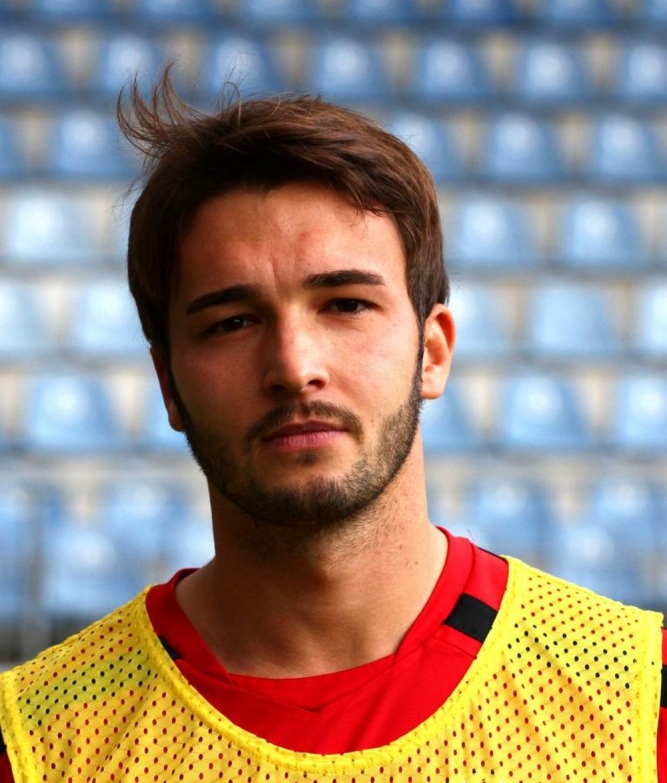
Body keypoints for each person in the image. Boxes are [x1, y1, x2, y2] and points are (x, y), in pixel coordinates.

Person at [0, 73, 666, 782]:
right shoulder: (37, 745)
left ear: (432, 352)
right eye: (232, 322)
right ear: (168, 383)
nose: (295, 367)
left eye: (346, 304)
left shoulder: (637, 697)